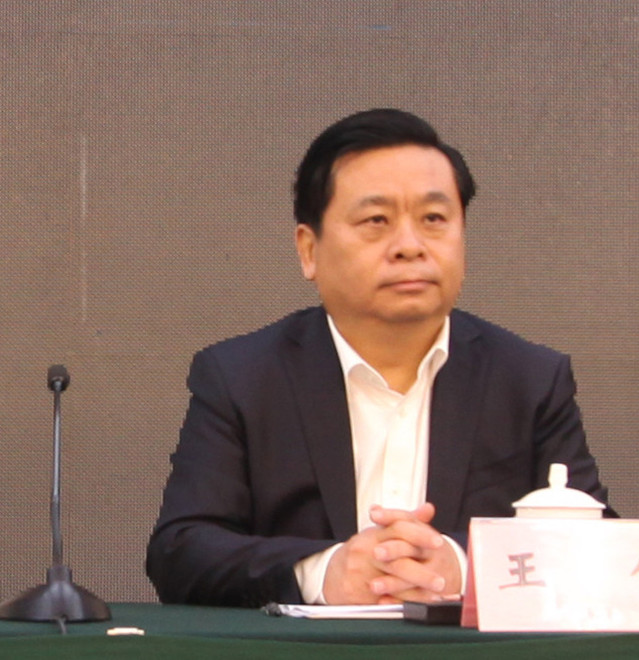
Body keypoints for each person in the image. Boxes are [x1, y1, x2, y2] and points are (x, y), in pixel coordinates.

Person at [146, 108, 612, 608]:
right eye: (376, 221)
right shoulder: (242, 377)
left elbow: (606, 551)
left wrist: (462, 567)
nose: (410, 246)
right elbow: (182, 552)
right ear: (309, 250)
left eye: (433, 219)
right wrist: (323, 572)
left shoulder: (529, 379)